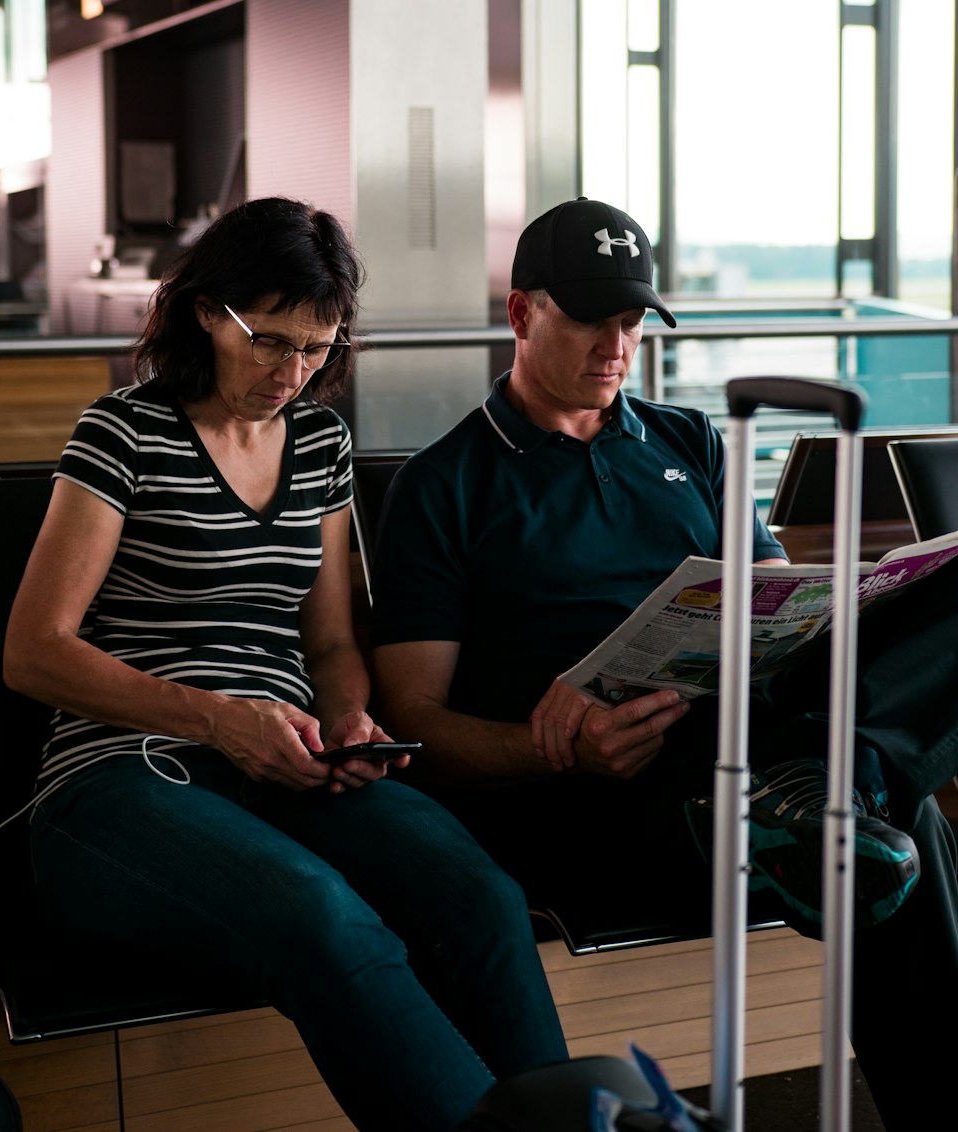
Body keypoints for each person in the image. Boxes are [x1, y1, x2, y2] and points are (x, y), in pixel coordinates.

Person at [369, 195, 958, 1129]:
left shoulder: (690, 441)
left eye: (634, 319)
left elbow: (780, 610)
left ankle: (835, 787)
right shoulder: (442, 486)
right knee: (908, 827)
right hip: (603, 801)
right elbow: (411, 724)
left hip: (750, 745)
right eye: (593, 317)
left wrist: (845, 602)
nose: (617, 342)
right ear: (523, 314)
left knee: (948, 596)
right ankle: (837, 796)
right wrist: (553, 747)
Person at [3, 196, 568, 1132]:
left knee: (481, 899)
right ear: (203, 312)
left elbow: (333, 643)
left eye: (317, 349)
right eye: (268, 342)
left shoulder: (319, 444)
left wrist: (349, 718)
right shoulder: (123, 432)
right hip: (116, 782)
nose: (291, 373)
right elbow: (33, 652)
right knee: (321, 915)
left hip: (287, 763)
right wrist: (219, 718)